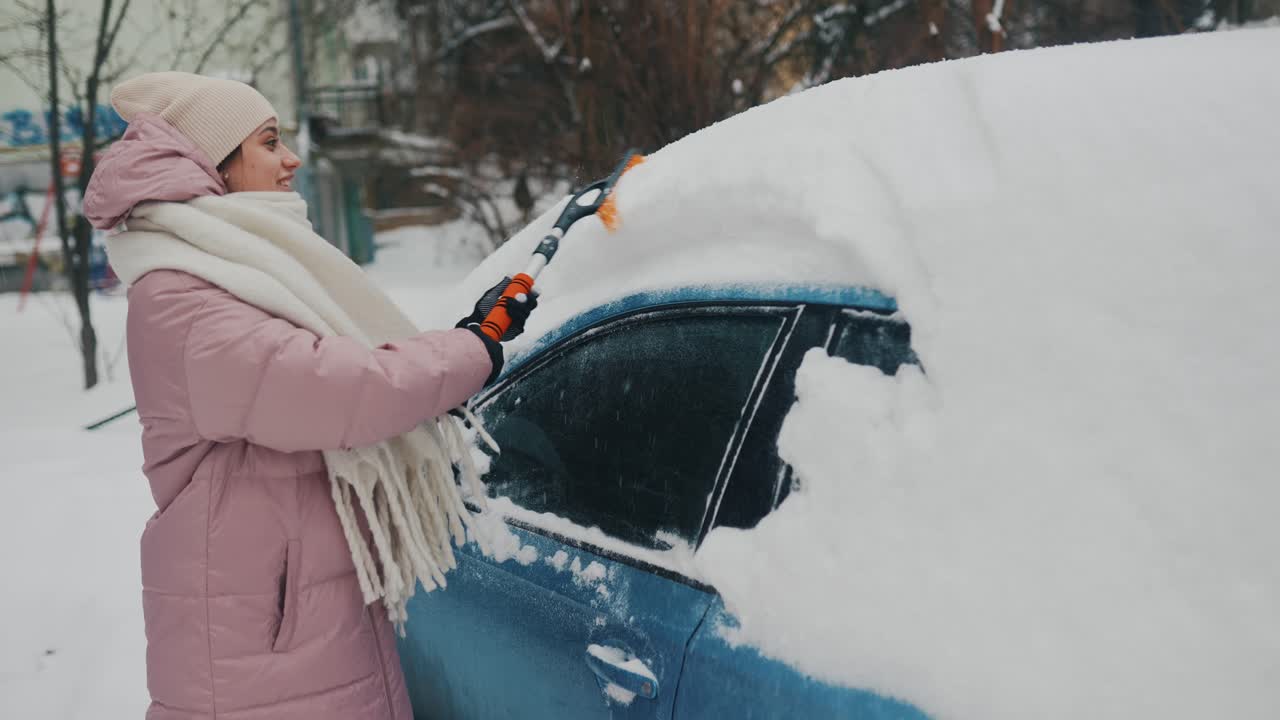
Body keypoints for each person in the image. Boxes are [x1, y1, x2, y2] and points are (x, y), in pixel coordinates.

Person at [83, 72, 532, 720]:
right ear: (215, 162)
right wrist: (473, 346)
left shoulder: (229, 270)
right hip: (255, 657)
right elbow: (342, 388)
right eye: (268, 141)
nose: (290, 158)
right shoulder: (181, 297)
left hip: (286, 628)